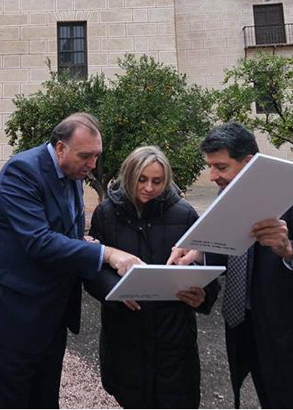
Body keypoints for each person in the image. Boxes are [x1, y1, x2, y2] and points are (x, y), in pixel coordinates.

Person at [169, 122, 293, 408]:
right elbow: (231, 251)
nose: (212, 176)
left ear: (249, 163)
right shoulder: (224, 197)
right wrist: (199, 254)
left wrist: (290, 250)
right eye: (210, 166)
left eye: (221, 167)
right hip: (257, 342)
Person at [0, 113, 143, 408]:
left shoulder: (72, 172)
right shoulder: (22, 171)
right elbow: (39, 241)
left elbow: (65, 235)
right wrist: (107, 253)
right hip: (7, 317)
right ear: (60, 148)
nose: (93, 165)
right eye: (86, 156)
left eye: (97, 156)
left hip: (47, 318)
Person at [83, 146, 219, 408]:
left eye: (157, 181)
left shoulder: (185, 214)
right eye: (141, 180)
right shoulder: (107, 214)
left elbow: (204, 265)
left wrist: (202, 296)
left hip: (174, 339)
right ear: (129, 176)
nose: (148, 188)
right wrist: (116, 292)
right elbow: (94, 268)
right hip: (125, 336)